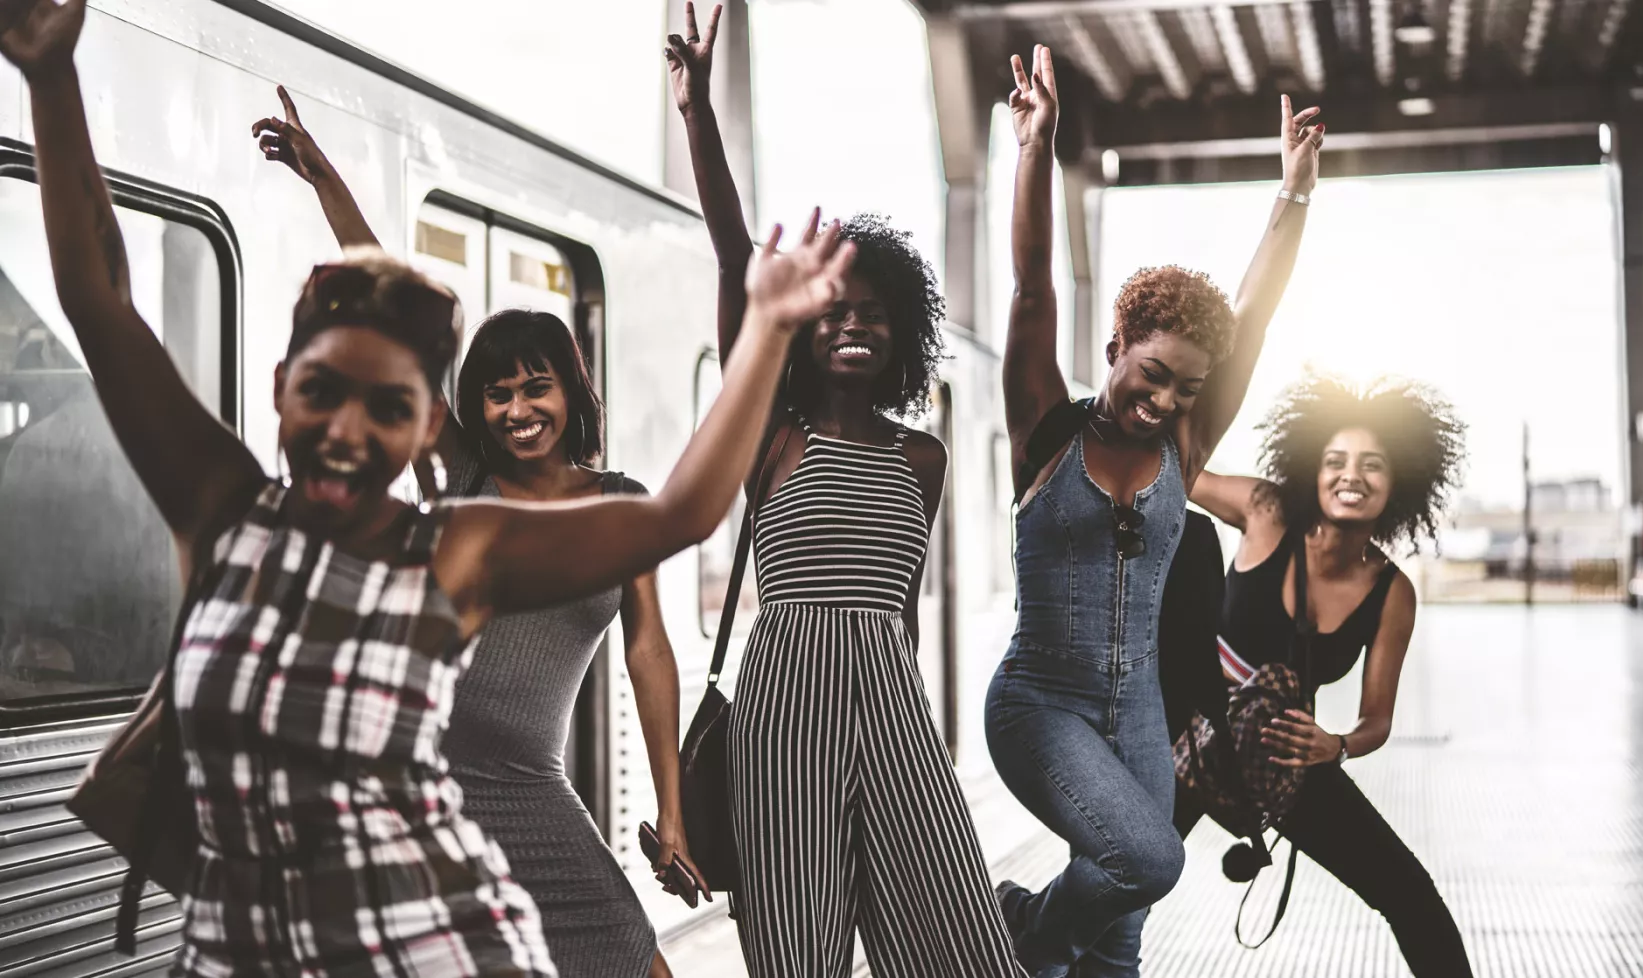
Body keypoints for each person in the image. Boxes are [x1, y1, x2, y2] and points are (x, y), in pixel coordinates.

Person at [0, 3, 855, 974]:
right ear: (280, 389)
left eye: (388, 408)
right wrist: (51, 79)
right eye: (321, 391)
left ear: (418, 428)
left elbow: (680, 517)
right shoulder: (226, 510)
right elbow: (101, 301)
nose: (348, 432)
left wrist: (768, 328)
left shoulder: (457, 546)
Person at [254, 92, 696, 978]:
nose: (517, 409)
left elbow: (650, 652)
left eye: (537, 387)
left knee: (631, 956)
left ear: (572, 395)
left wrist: (672, 808)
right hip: (424, 774)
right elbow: (391, 317)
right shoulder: (462, 479)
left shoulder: (620, 504)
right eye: (497, 393)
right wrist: (326, 178)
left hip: (530, 786)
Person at [666, 6, 1022, 976]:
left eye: (874, 315)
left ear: (902, 332)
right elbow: (738, 265)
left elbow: (901, 611)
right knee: (797, 938)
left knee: (952, 924)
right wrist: (699, 116)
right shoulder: (772, 438)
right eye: (835, 313)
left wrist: (902, 709)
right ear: (804, 328)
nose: (854, 327)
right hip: (786, 700)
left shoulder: (925, 460)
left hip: (893, 699)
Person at [985, 44, 1321, 978]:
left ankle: (1048, 949)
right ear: (1115, 346)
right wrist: (1034, 149)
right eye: (1152, 374)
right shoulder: (1045, 432)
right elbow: (1029, 289)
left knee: (1121, 943)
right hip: (1040, 704)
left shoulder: (1183, 448)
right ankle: (1023, 921)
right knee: (1147, 858)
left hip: (1139, 708)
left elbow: (1252, 314)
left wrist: (1292, 195)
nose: (1166, 401)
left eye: (1187, 389)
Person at [1181, 372, 1474, 976]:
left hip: (1282, 758)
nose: (1351, 475)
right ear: (1312, 469)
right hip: (1183, 738)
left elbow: (1377, 720)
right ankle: (1032, 928)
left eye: (1372, 464)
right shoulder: (1265, 510)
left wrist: (1335, 744)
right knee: (1122, 881)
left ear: (1398, 483)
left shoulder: (1392, 592)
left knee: (1410, 896)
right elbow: (1178, 469)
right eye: (1336, 459)